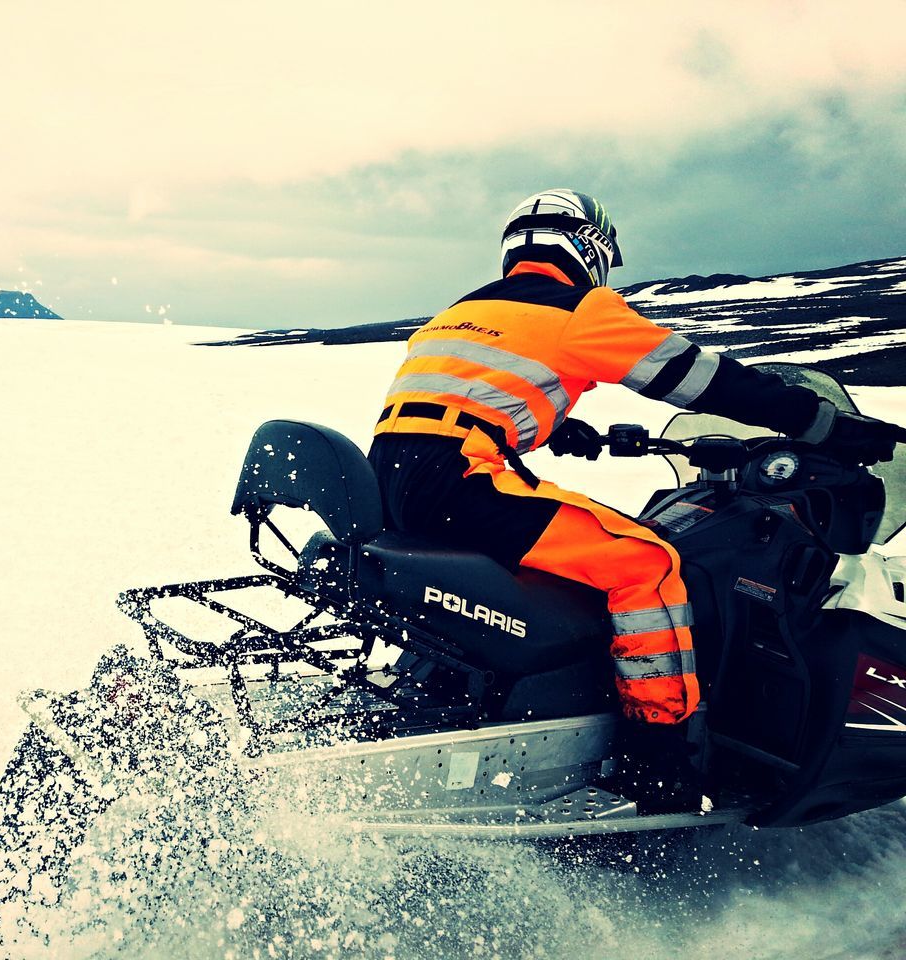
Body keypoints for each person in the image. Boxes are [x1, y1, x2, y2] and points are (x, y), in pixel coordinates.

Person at [367, 188, 898, 809]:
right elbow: (700, 378)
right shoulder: (579, 308)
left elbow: (463, 392)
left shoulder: (465, 311)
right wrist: (825, 425)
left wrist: (558, 423)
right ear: (589, 243)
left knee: (571, 555)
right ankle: (661, 761)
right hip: (463, 473)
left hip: (398, 473)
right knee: (646, 565)